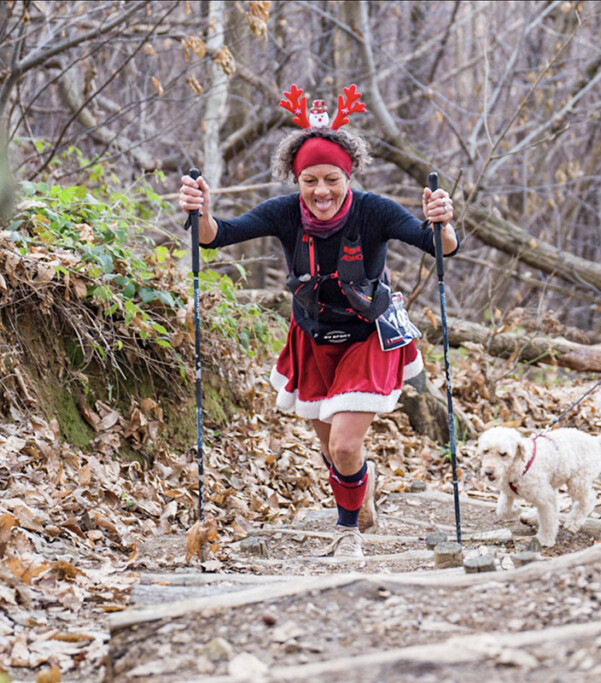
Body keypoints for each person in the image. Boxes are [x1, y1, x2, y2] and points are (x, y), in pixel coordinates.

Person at [178, 84, 458, 557]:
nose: (321, 191)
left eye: (331, 179)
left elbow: (438, 246)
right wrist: (201, 212)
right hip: (313, 337)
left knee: (346, 447)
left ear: (347, 176)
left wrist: (443, 221)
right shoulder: (285, 212)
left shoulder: (374, 212)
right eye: (310, 181)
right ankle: (361, 498)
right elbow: (216, 237)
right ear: (296, 179)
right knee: (333, 451)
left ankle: (347, 533)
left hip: (369, 335)